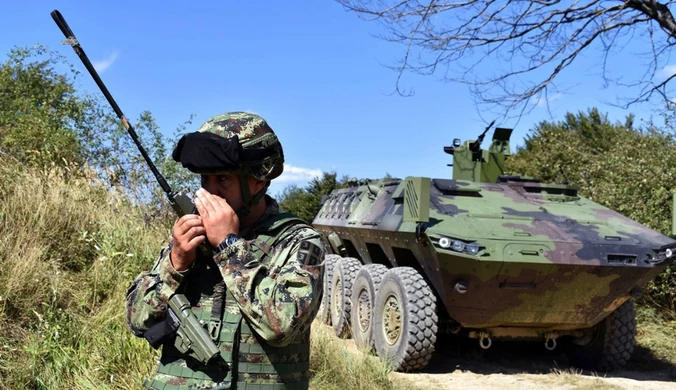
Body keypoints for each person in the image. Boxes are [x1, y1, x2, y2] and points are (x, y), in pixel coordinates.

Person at [125, 111, 325, 390]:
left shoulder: (298, 241)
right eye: (204, 181)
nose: (208, 194)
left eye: (223, 180)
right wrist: (176, 262)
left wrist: (229, 246)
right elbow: (136, 322)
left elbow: (282, 327)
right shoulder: (191, 237)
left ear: (259, 179)